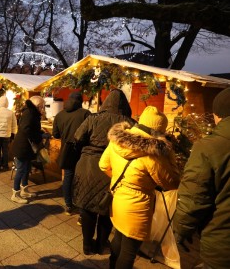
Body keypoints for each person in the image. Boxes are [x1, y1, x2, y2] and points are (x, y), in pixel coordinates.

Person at [99, 106, 180, 269]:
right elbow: (172, 182)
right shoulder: (153, 154)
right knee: (128, 252)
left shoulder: (118, 141)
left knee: (118, 239)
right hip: (138, 207)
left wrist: (122, 181)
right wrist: (169, 152)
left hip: (118, 199)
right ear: (159, 131)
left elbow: (103, 165)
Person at [71, 89, 135, 255]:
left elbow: (77, 138)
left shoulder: (93, 118)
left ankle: (86, 245)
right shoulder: (130, 123)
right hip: (113, 169)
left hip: (87, 167)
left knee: (87, 207)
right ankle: (101, 244)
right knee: (106, 209)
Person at [173, 87, 230, 269]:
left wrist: (180, 231)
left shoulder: (209, 147)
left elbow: (193, 198)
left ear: (218, 114)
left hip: (221, 245)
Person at [52, 92, 91, 215]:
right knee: (81, 178)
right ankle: (80, 203)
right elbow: (91, 133)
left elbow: (56, 134)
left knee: (68, 177)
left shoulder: (59, 115)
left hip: (67, 151)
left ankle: (68, 205)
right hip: (83, 151)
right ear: (80, 101)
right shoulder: (86, 114)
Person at [10, 96, 45, 204]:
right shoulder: (29, 113)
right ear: (38, 106)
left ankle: (24, 190)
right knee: (20, 170)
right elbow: (26, 129)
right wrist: (38, 135)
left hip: (26, 147)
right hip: (22, 146)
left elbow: (30, 128)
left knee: (26, 169)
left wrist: (39, 133)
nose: (43, 109)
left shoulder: (31, 112)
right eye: (42, 106)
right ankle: (15, 194)